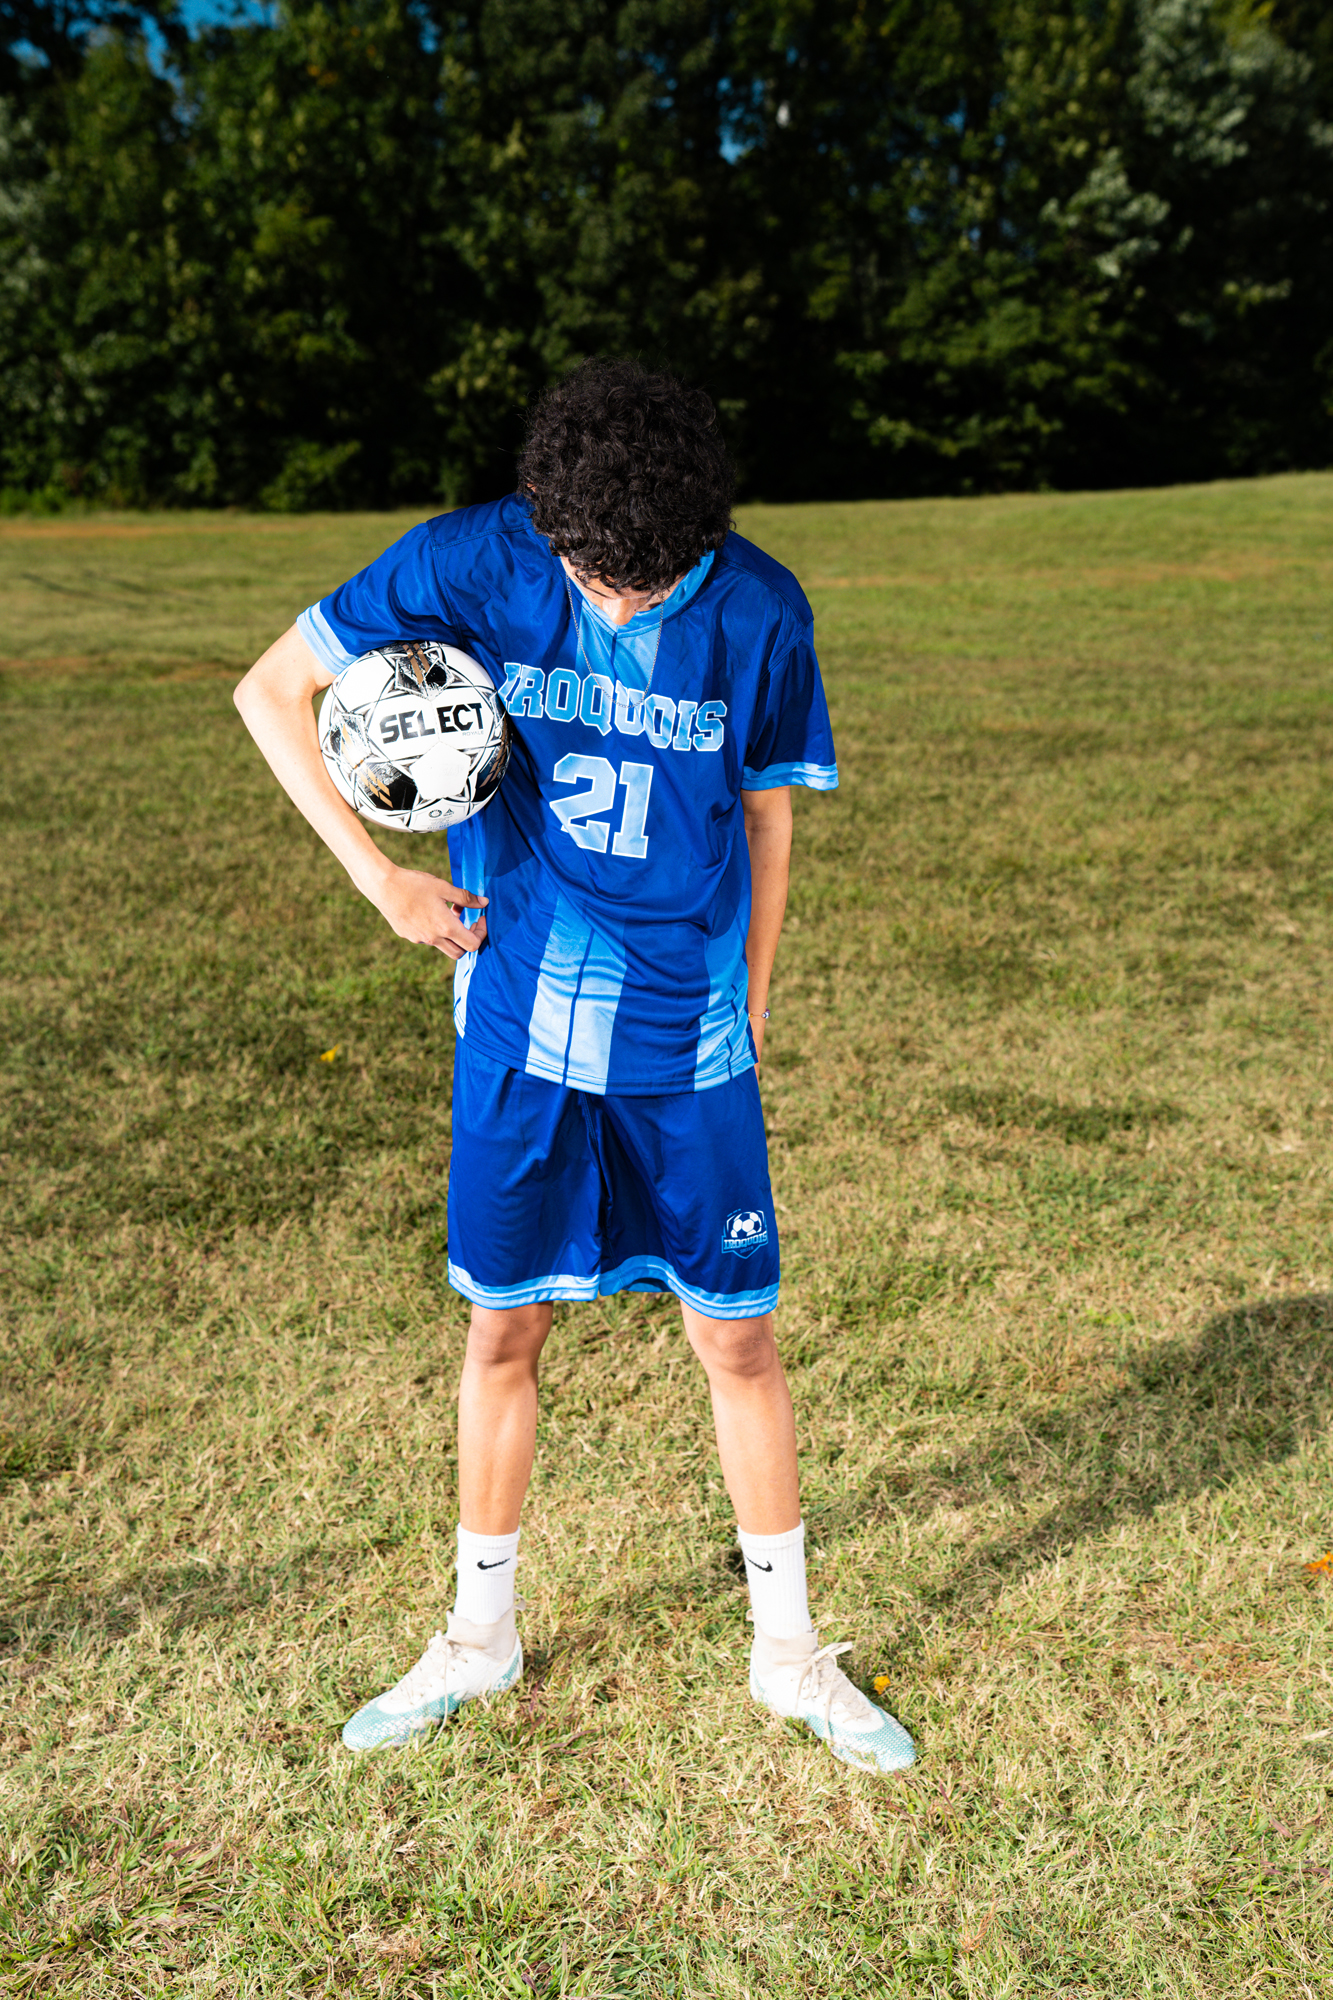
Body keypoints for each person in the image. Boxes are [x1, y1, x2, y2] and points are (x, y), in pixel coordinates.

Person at [233, 358, 915, 1774]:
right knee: (502, 1331)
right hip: (521, 1027)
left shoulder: (759, 608)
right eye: (591, 574)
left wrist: (756, 991)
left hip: (687, 1039)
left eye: (646, 581)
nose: (613, 600)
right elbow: (272, 689)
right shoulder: (473, 559)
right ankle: (479, 1638)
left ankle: (789, 1654)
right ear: (547, 520)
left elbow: (769, 816)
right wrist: (381, 881)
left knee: (736, 1337)